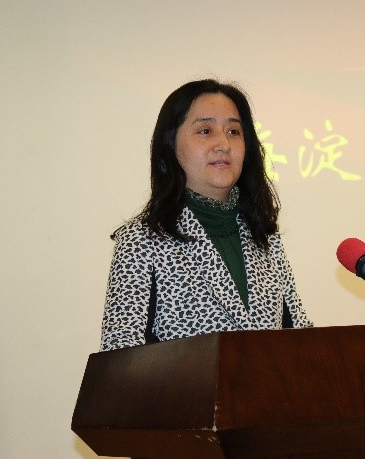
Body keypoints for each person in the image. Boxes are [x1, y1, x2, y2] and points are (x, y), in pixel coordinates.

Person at [100, 79, 313, 352]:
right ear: (170, 144)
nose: (223, 144)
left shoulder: (263, 235)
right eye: (205, 131)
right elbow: (120, 353)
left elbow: (299, 337)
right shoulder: (142, 240)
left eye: (234, 131)